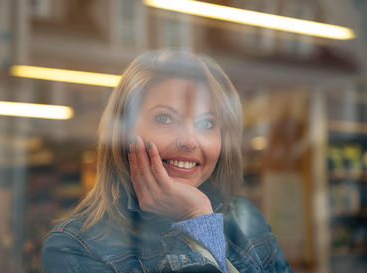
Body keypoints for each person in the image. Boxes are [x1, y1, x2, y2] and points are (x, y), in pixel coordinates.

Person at [42, 49, 293, 273]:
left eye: (206, 123)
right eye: (164, 118)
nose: (189, 141)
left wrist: (198, 219)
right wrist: (196, 219)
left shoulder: (245, 217)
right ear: (122, 133)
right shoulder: (74, 246)